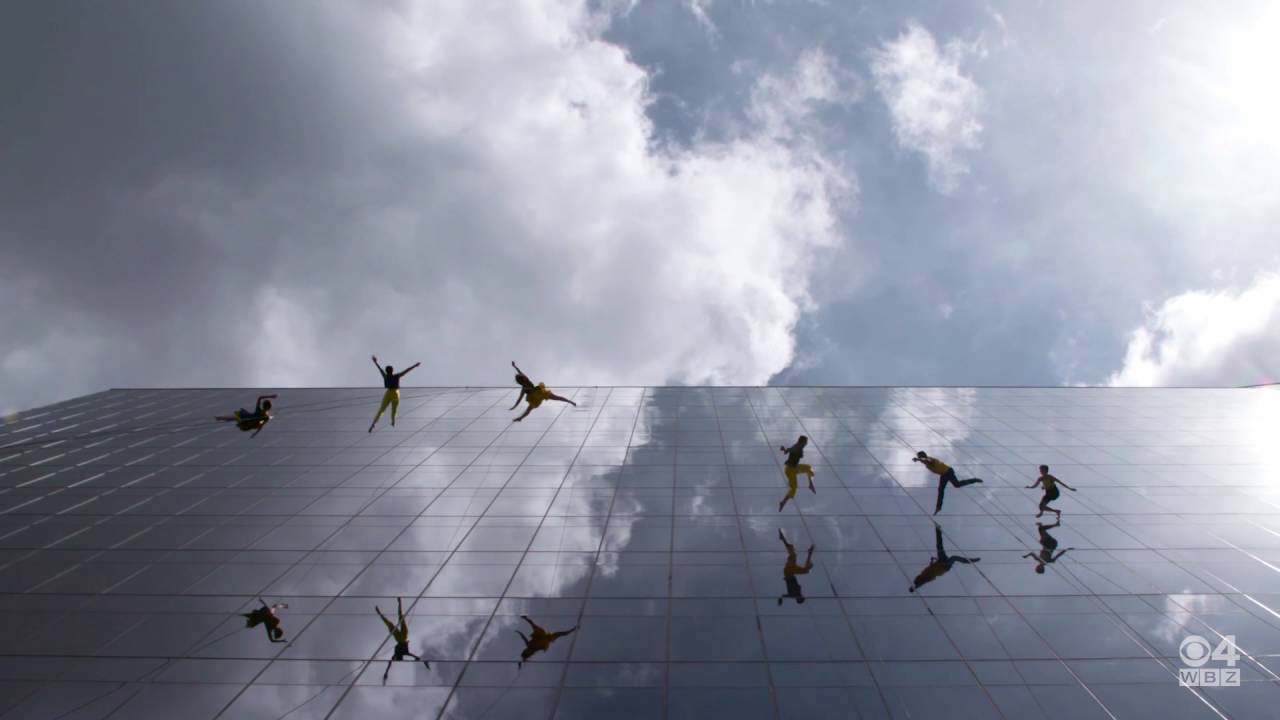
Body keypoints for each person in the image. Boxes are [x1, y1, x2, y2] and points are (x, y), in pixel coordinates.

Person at [908, 525, 980, 593]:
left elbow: (931, 566)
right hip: (945, 566)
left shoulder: (924, 572)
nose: (918, 577)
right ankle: (970, 561)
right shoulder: (927, 578)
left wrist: (932, 560)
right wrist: (914, 588)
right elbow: (921, 583)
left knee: (939, 546)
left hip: (940, 561)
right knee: (953, 557)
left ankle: (938, 529)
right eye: (918, 578)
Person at [377, 597, 429, 682]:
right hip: (399, 638)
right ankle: (394, 605)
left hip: (403, 637)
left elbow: (415, 657)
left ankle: (398, 603)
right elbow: (391, 663)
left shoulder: (404, 653)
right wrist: (386, 672)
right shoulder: (399, 654)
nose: (395, 657)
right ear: (398, 657)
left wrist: (423, 662)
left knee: (398, 619)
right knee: (393, 622)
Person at [914, 451, 983, 515]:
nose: (921, 461)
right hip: (943, 475)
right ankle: (938, 507)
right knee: (941, 490)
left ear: (923, 457)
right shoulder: (927, 464)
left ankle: (974, 480)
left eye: (920, 458)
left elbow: (927, 460)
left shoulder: (930, 459)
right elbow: (926, 461)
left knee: (957, 484)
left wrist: (918, 459)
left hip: (948, 471)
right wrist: (920, 460)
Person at [509, 361, 576, 422]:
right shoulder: (524, 387)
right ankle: (520, 418)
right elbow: (519, 398)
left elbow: (519, 372)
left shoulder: (525, 382)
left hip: (538, 394)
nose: (524, 378)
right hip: (536, 396)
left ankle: (569, 401)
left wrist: (515, 366)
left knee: (556, 398)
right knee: (529, 409)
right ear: (522, 381)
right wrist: (514, 406)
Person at [369, 355, 420, 432]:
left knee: (382, 409)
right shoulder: (396, 376)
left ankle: (374, 423)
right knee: (394, 409)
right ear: (392, 371)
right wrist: (415, 365)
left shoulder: (385, 376)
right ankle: (393, 421)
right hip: (396, 393)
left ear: (387, 371)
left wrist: (375, 362)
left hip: (388, 392)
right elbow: (406, 370)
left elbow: (379, 369)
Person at [778, 435, 816, 511]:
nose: (806, 445)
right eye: (805, 443)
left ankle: (811, 484)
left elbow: (788, 451)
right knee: (794, 488)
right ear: (802, 442)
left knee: (809, 468)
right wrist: (787, 450)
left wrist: (784, 449)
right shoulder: (797, 447)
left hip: (794, 468)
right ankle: (783, 502)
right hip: (790, 470)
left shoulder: (796, 446)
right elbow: (793, 451)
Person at [777, 529, 815, 605]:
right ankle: (809, 553)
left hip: (788, 573)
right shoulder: (798, 592)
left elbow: (783, 596)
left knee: (793, 555)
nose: (801, 596)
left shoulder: (792, 595)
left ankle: (783, 539)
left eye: (800, 598)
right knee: (806, 570)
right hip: (792, 572)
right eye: (802, 597)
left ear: (798, 599)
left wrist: (780, 600)